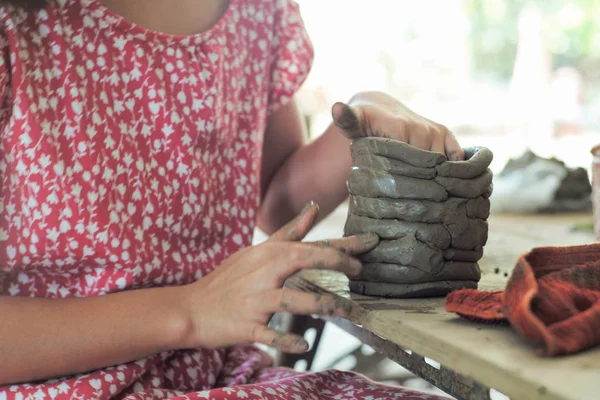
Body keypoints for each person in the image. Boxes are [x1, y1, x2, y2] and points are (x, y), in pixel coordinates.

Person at [0, 0, 464, 398]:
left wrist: (359, 128)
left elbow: (275, 204)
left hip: (217, 374)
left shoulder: (255, 11)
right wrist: (192, 309)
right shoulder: (17, 27)